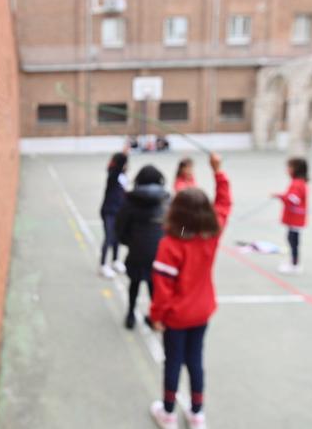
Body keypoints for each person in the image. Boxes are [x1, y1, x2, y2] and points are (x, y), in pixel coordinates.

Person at [148, 153, 232, 429]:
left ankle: (169, 412)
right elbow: (224, 204)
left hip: (176, 316)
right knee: (195, 360)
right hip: (202, 311)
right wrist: (218, 172)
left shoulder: (171, 244)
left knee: (173, 362)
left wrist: (156, 315)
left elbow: (162, 290)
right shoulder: (211, 234)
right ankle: (197, 413)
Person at [115, 165, 169, 330]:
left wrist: (130, 241)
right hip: (159, 252)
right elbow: (179, 226)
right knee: (155, 286)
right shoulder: (166, 201)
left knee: (135, 283)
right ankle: (155, 318)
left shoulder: (130, 201)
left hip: (137, 250)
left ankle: (131, 314)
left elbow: (119, 227)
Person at [272, 157, 309, 274]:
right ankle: (293, 262)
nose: (287, 170)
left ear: (296, 169)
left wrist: (280, 196)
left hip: (296, 219)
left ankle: (294, 264)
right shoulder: (297, 182)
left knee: (294, 241)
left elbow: (294, 199)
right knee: (291, 239)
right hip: (293, 219)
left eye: (289, 167)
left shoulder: (298, 184)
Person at [99, 150, 128, 278]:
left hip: (119, 211)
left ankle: (115, 260)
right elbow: (115, 170)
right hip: (109, 211)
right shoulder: (113, 175)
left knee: (117, 238)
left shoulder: (123, 177)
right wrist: (123, 155)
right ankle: (103, 264)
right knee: (109, 237)